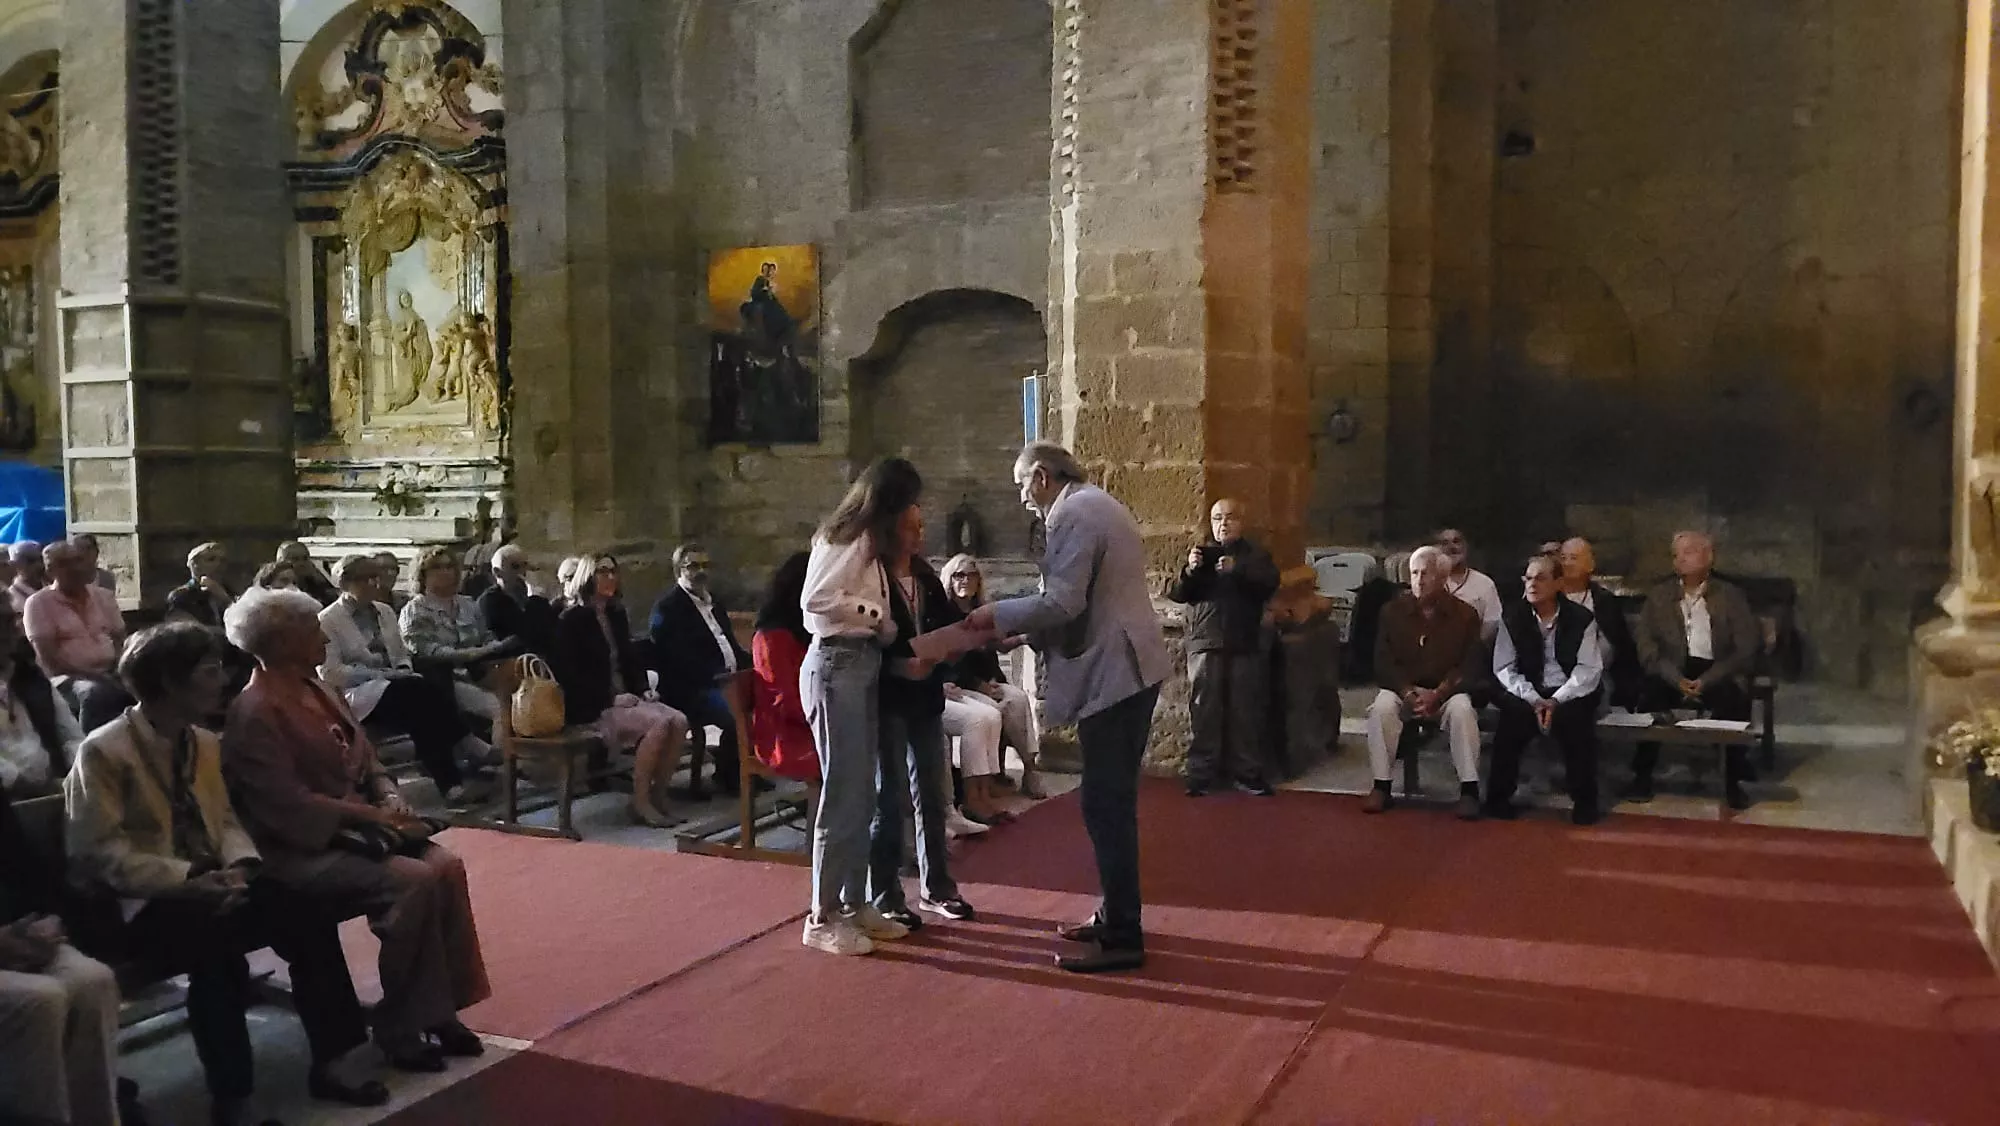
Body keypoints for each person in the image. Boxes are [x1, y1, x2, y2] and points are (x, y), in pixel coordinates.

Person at [66, 623, 386, 1124]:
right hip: (142, 901)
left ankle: (336, 1059)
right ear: (170, 682)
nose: (222, 681)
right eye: (210, 671)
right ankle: (233, 1098)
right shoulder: (104, 751)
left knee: (308, 914)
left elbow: (227, 821)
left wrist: (237, 867)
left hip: (217, 882)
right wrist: (188, 878)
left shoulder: (203, 743)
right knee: (216, 950)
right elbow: (98, 851)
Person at [221, 587, 491, 1073]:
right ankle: (399, 1024)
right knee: (412, 881)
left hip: (363, 829)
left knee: (447, 866)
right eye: (312, 629)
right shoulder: (254, 710)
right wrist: (372, 817)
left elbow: (367, 758)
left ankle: (439, 1010)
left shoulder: (319, 689)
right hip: (300, 847)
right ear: (281, 642)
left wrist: (387, 792)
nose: (324, 637)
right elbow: (285, 803)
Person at [965, 442, 1171, 974]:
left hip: (1117, 673)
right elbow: (1085, 600)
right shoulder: (1095, 503)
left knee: (1105, 805)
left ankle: (1124, 934)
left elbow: (1064, 601)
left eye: (1021, 485)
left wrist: (995, 615)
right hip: (1126, 667)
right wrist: (1025, 634)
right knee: (1107, 803)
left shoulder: (1074, 512)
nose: (1021, 498)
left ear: (1041, 476)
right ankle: (1114, 915)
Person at [799, 459, 922, 957]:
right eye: (909, 501)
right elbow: (816, 599)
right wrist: (875, 617)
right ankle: (822, 916)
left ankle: (854, 903)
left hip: (860, 663)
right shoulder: (846, 537)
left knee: (863, 794)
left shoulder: (871, 543)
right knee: (843, 795)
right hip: (838, 663)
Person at [319, 555, 493, 804]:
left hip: (400, 688)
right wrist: (383, 675)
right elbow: (331, 672)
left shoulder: (384, 611)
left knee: (420, 710)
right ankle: (466, 748)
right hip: (357, 695)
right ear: (344, 583)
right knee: (418, 693)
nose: (375, 584)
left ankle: (453, 786)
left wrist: (401, 669)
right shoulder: (328, 620)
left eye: (376, 577)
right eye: (365, 579)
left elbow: (400, 654)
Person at [871, 524, 975, 932]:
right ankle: (886, 895)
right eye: (909, 526)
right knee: (889, 799)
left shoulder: (927, 577)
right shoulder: (873, 577)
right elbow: (861, 642)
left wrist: (951, 648)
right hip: (889, 698)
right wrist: (897, 666)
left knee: (932, 795)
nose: (918, 534)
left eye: (920, 526)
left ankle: (937, 887)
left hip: (926, 697)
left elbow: (949, 626)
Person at [1, 785, 122, 1126]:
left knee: (93, 980)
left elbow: (27, 871)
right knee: (40, 999)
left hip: (16, 937)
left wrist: (50, 919)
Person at [1628, 531, 1761, 809]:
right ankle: (1642, 776)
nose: (1680, 559)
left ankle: (1732, 781)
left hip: (1717, 669)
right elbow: (1647, 645)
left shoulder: (1730, 595)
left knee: (1735, 701)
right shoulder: (1659, 596)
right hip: (1671, 669)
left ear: (1708, 556)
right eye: (1676, 554)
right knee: (1649, 697)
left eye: (1688, 552)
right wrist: (1675, 678)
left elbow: (1745, 648)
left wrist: (1708, 679)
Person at [554, 554, 690, 827]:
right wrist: (611, 698)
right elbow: (569, 675)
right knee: (659, 724)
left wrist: (643, 688)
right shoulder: (572, 619)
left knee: (679, 720)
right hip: (593, 705)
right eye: (602, 571)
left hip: (625, 697)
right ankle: (640, 802)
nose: (610, 577)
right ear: (587, 576)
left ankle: (659, 795)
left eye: (613, 571)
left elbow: (630, 659)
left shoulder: (615, 614)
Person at [1167, 498, 1280, 797]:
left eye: (1230, 517)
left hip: (1243, 640)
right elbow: (1178, 593)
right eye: (1217, 518)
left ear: (1242, 521)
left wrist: (1237, 570)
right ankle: (1201, 774)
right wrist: (1191, 570)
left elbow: (1269, 582)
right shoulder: (1202, 553)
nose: (1224, 524)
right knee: (1204, 709)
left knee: (1244, 709)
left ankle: (1247, 772)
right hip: (1206, 639)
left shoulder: (1255, 556)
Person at [1365, 545, 1485, 819]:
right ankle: (1381, 786)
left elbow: (1470, 665)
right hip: (1405, 690)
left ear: (1442, 578)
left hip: (1447, 691)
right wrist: (1408, 692)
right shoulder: (1392, 612)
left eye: (1426, 574)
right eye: (1414, 573)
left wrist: (1440, 693)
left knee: (1463, 709)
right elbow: (1383, 662)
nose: (1419, 580)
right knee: (1382, 706)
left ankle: (1469, 790)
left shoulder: (1465, 615)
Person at [1485, 554, 1606, 824]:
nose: (1532, 584)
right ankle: (1497, 799)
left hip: (1569, 690)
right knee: (1511, 722)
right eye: (1528, 578)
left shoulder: (1581, 618)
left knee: (1577, 724)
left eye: (1540, 578)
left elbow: (1588, 669)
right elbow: (1504, 667)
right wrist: (1534, 698)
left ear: (1558, 583)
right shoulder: (1512, 617)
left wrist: (1556, 700)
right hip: (1527, 690)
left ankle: (1585, 802)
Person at [648, 543, 753, 798]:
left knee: (765, 702)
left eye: (705, 565)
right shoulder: (668, 608)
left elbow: (729, 643)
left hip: (726, 680)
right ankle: (731, 775)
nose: (701, 571)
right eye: (693, 566)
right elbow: (674, 659)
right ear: (678, 570)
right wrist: (718, 678)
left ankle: (744, 769)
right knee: (736, 713)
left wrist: (754, 665)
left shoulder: (714, 602)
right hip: (693, 688)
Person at [939, 553, 1044, 803]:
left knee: (1017, 699)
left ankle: (1030, 769)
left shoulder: (982, 612)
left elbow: (997, 644)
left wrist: (1026, 638)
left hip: (987, 680)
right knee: (997, 708)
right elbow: (950, 660)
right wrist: (980, 686)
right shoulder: (944, 614)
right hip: (960, 683)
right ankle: (989, 779)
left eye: (971, 575)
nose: (965, 580)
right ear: (950, 579)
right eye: (959, 575)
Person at [24, 539, 131, 731]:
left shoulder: (103, 596)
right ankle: (90, 745)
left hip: (111, 671)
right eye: (64, 563)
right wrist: (95, 676)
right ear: (50, 571)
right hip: (66, 678)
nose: (74, 568)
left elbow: (120, 640)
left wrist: (118, 667)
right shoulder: (38, 603)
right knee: (95, 693)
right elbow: (49, 659)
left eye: (78, 560)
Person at [749, 553, 822, 826]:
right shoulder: (771, 636)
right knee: (845, 755)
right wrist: (827, 718)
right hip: (785, 734)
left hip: (810, 723)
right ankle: (823, 839)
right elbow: (784, 699)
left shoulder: (801, 629)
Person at [398, 546, 511, 722]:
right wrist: (473, 653)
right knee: (495, 707)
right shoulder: (415, 610)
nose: (445, 572)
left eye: (449, 566)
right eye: (436, 567)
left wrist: (495, 647)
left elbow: (485, 635)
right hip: (443, 680)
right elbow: (427, 651)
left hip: (479, 671)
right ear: (422, 574)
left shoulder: (468, 604)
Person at [0, 598, 84, 799]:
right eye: (3, 621)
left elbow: (72, 736)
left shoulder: (30, 676)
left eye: (12, 619)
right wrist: (32, 789)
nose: (14, 629)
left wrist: (74, 777)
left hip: (56, 790)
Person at [1558, 536, 1642, 709]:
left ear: (1590, 565)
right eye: (1563, 558)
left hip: (1596, 678)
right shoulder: (1547, 598)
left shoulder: (1604, 601)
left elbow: (1620, 647)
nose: (1567, 563)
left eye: (1573, 558)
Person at [476, 544, 557, 661]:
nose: (522, 572)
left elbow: (550, 632)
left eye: (525, 565)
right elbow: (522, 634)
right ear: (497, 572)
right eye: (515, 567)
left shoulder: (536, 601)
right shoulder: (489, 602)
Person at [1435, 527, 1502, 641]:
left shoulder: (1485, 584)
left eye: (1456, 541)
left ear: (1466, 546)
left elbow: (1492, 623)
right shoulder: (1430, 581)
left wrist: (1473, 646)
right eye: (1445, 543)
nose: (1451, 547)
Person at [164, 542, 236, 629]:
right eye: (211, 559)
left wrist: (226, 600)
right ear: (194, 565)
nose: (219, 564)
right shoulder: (181, 596)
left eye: (222, 561)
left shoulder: (228, 591)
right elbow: (188, 631)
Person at [275, 541, 339, 606]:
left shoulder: (321, 588)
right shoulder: (276, 590)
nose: (301, 563)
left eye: (305, 558)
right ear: (280, 562)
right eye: (295, 559)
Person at [7, 540, 44, 611]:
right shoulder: (11, 598)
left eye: (41, 559)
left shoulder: (53, 589)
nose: (39, 565)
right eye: (31, 561)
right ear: (15, 565)